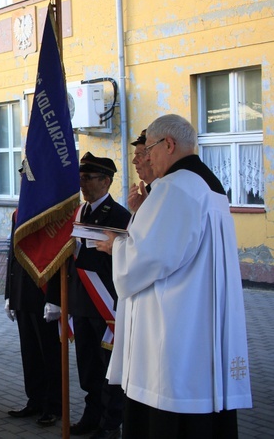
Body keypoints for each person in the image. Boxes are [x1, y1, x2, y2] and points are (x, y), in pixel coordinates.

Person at [97, 114, 252, 438]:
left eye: (150, 150)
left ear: (169, 144)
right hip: (199, 323)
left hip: (173, 330)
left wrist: (116, 246)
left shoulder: (175, 186)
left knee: (165, 417)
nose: (147, 158)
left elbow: (149, 258)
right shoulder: (208, 184)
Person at [62, 152, 131, 439]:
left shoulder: (119, 216)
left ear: (106, 181)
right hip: (82, 302)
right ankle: (91, 415)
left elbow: (123, 260)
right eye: (80, 178)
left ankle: (110, 423)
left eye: (87, 178)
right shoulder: (80, 212)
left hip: (106, 305)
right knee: (88, 366)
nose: (82, 184)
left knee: (108, 369)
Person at [5, 160, 62, 427]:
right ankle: (35, 400)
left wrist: (55, 299)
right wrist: (8, 294)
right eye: (22, 178)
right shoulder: (19, 214)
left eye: (28, 178)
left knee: (49, 352)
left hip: (43, 295)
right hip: (22, 294)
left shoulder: (52, 214)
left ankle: (54, 405)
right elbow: (12, 256)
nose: (23, 183)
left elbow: (58, 259)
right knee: (29, 352)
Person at [127, 129, 156, 213]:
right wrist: (139, 211)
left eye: (139, 155)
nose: (134, 161)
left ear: (152, 157)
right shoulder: (149, 190)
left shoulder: (166, 191)